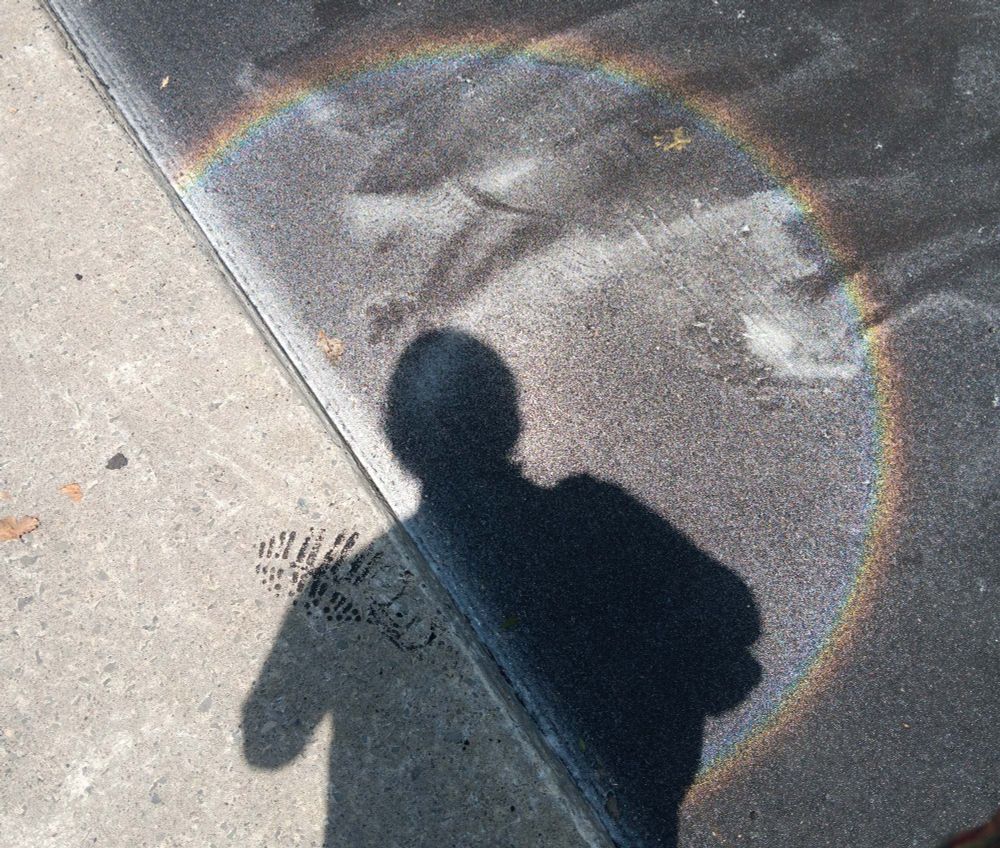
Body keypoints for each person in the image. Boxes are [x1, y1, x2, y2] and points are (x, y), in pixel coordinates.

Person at [244, 328, 762, 847]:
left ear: (402, 446)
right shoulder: (598, 518)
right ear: (511, 422)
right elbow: (739, 616)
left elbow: (268, 744)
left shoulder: (349, 587)